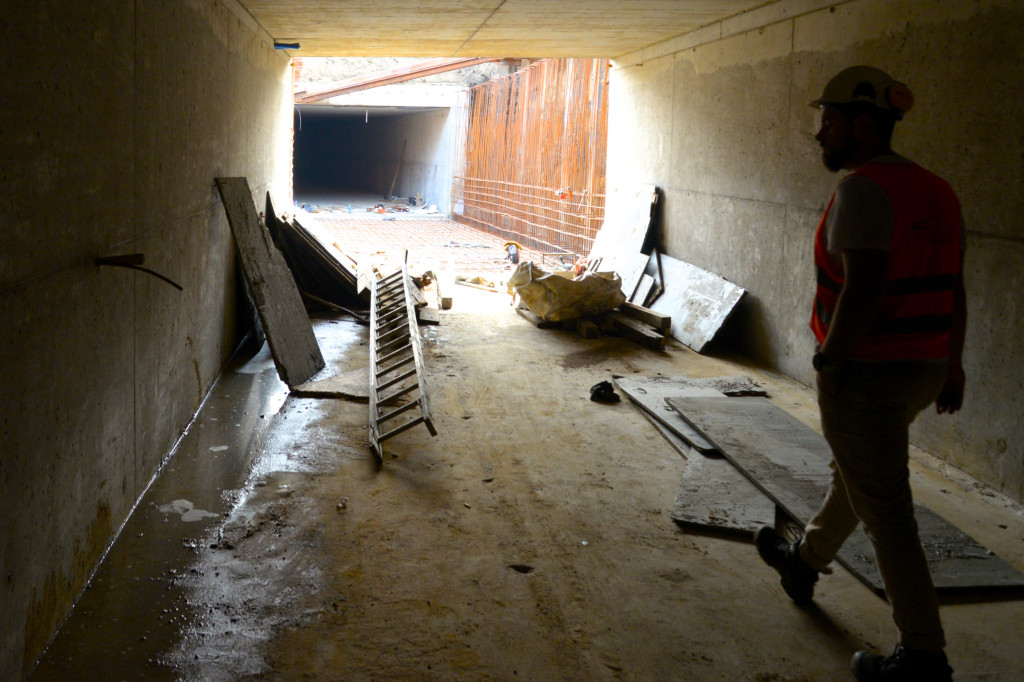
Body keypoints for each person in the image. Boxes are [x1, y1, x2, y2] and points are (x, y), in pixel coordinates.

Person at [755, 66, 966, 681]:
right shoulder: (937, 190)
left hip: (867, 371)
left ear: (863, 124)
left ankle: (923, 656)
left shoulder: (863, 191)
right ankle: (806, 559)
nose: (819, 135)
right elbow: (955, 287)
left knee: (887, 511)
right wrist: (950, 363)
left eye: (829, 123)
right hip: (921, 367)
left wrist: (831, 359)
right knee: (859, 475)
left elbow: (865, 286)